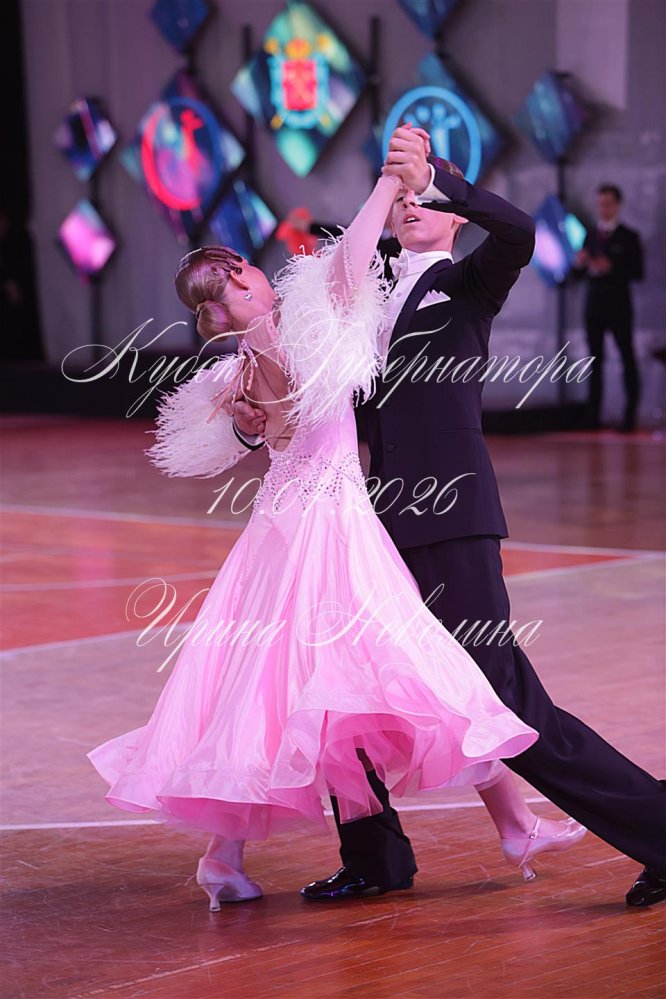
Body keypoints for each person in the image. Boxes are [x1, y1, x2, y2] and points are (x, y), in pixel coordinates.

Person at [87, 173, 587, 911]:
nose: (262, 271)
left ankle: (225, 856)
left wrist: (246, 426)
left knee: (280, 686)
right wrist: (387, 185)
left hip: (280, 526)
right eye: (247, 268)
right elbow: (350, 260)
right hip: (330, 523)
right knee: (406, 672)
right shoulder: (291, 332)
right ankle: (512, 826)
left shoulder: (242, 359)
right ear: (239, 282)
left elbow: (228, 439)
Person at [234, 127, 665, 908]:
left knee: (505, 697)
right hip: (372, 525)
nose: (409, 207)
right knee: (341, 681)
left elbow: (520, 231)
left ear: (453, 213)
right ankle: (375, 857)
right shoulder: (368, 298)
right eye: (400, 198)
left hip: (453, 515)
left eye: (423, 199)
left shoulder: (469, 283)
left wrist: (439, 178)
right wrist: (250, 419)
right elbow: (311, 394)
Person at [573, 184, 644, 432]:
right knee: (595, 361)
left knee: (627, 358)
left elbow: (638, 272)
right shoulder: (590, 235)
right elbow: (577, 275)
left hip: (619, 306)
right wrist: (580, 264)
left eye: (608, 204)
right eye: (600, 204)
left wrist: (612, 267)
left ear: (617, 205)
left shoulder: (629, 237)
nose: (603, 209)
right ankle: (593, 416)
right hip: (594, 307)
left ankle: (629, 416)